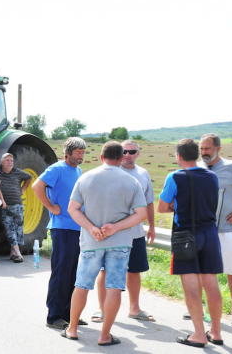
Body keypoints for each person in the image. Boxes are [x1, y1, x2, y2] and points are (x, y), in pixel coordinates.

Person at [63, 141, 148, 346]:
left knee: (82, 285)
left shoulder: (85, 178)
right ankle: (105, 335)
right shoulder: (131, 182)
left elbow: (72, 209)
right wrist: (116, 227)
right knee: (114, 287)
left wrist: (92, 228)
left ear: (101, 157)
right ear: (121, 159)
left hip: (92, 241)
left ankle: (72, 329)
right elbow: (141, 214)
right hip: (120, 243)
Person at [157, 138, 223, 347]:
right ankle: (217, 331)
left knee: (191, 287)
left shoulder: (175, 176)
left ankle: (198, 334)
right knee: (212, 284)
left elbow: (161, 207)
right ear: (196, 154)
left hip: (186, 235)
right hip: (211, 234)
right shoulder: (212, 176)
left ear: (178, 156)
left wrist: (177, 207)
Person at [92, 140, 156, 323]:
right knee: (104, 270)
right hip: (112, 233)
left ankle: (134, 308)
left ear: (138, 153)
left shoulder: (143, 174)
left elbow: (149, 202)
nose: (128, 155)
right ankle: (101, 309)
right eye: (125, 152)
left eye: (132, 151)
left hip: (135, 232)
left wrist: (151, 226)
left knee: (134, 271)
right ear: (120, 155)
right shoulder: (109, 172)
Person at [32, 137, 86, 330]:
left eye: (82, 152)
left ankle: (69, 314)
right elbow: (37, 186)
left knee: (73, 272)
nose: (81, 155)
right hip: (62, 227)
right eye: (78, 152)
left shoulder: (78, 170)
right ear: (68, 153)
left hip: (77, 227)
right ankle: (54, 316)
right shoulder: (57, 169)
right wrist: (50, 207)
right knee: (62, 271)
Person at [199, 133, 232, 326]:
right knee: (200, 272)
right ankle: (198, 309)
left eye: (207, 148)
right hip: (200, 231)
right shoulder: (195, 167)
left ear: (218, 148)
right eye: (201, 148)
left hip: (226, 230)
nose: (203, 152)